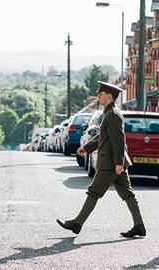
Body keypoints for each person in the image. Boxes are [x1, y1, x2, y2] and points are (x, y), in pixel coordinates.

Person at [57, 81, 145, 237]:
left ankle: (77, 223)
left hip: (110, 163)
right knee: (127, 194)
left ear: (109, 96)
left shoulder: (113, 115)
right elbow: (102, 137)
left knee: (94, 192)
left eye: (101, 94)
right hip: (114, 162)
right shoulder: (109, 113)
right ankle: (139, 226)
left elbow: (119, 140)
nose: (98, 96)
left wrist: (118, 163)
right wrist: (86, 147)